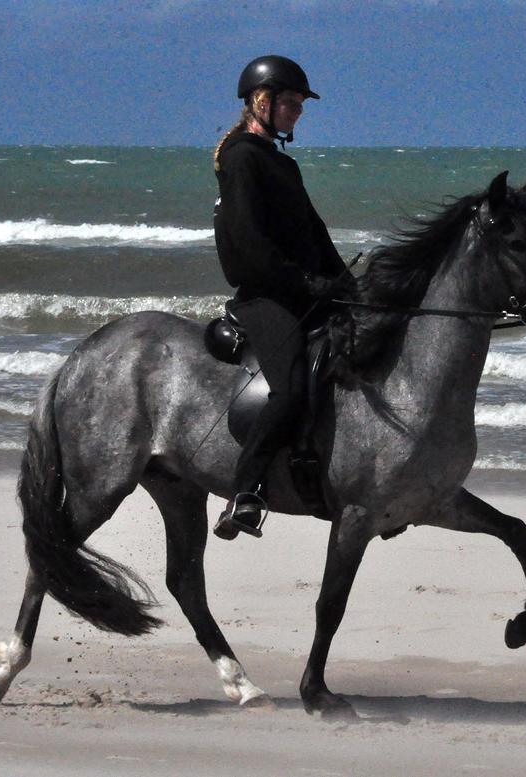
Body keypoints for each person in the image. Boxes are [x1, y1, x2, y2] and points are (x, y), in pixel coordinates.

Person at [211, 55, 350, 541]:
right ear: (261, 102)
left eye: (300, 104)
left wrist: (345, 283)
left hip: (302, 291)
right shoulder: (241, 158)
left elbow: (315, 232)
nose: (298, 112)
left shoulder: (281, 163)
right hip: (265, 297)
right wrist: (305, 283)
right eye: (291, 103)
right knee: (289, 388)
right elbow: (249, 247)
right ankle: (244, 493)